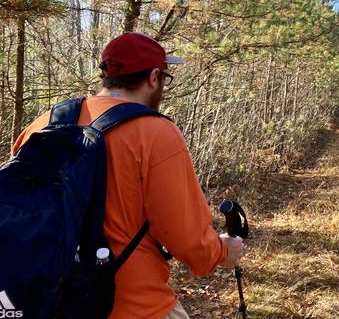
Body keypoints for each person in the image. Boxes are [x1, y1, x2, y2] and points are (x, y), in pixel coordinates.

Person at [12, 32, 244, 319]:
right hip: (134, 305)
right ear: (154, 77)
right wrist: (223, 251)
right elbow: (187, 239)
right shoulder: (156, 133)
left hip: (45, 298)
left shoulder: (45, 122)